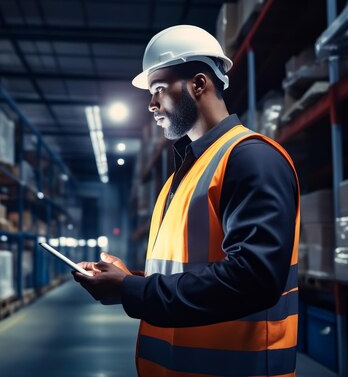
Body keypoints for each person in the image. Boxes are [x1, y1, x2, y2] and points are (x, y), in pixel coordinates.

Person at [73, 24, 300, 377]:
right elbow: (187, 271)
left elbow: (253, 279)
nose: (150, 104)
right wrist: (129, 278)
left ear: (198, 84)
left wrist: (132, 290)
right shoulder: (181, 178)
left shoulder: (250, 159)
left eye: (159, 89)